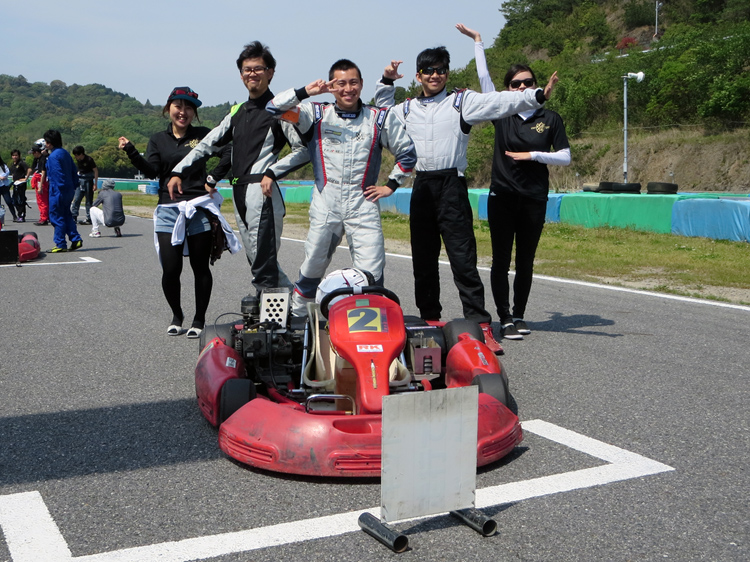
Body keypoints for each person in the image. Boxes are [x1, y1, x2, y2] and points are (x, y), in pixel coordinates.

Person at [375, 46, 553, 353]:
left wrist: (535, 96)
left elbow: (498, 101)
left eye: (441, 70)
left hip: (452, 186)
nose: (435, 75)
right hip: (422, 185)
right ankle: (430, 321)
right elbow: (381, 114)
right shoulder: (405, 109)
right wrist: (386, 81)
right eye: (429, 71)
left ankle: (480, 325)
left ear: (447, 73)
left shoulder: (461, 101)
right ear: (418, 76)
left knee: (463, 259)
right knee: (424, 260)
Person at [266, 58, 417, 316]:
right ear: (331, 86)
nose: (348, 89)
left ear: (361, 84)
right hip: (327, 204)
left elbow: (408, 154)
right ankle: (299, 324)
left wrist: (390, 185)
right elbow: (273, 109)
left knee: (371, 275)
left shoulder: (378, 118)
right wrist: (306, 92)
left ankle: (370, 333)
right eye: (340, 84)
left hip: (363, 204)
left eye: (353, 82)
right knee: (312, 267)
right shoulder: (313, 114)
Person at [169, 41, 308, 298]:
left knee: (264, 258)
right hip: (238, 191)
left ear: (270, 72)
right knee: (256, 258)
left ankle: (274, 311)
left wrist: (272, 172)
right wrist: (178, 170)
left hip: (262, 192)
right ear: (241, 74)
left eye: (258, 68)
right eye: (247, 69)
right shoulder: (237, 111)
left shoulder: (281, 110)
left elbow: (303, 151)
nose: (252, 74)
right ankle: (294, 301)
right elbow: (209, 143)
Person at [459, 26, 570, 340]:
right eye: (515, 83)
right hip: (502, 196)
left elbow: (565, 157)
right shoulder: (502, 113)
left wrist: (533, 155)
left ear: (536, 86)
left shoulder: (551, 119)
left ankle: (519, 315)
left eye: (528, 82)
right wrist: (478, 43)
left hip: (534, 197)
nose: (522, 87)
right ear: (508, 89)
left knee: (526, 260)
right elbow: (484, 82)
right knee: (501, 259)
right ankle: (504, 318)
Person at [120, 86, 238, 339]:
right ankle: (177, 315)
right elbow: (152, 171)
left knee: (200, 267)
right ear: (168, 108)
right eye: (178, 106)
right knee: (170, 269)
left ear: (194, 112)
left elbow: (228, 151)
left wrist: (213, 178)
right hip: (167, 209)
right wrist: (131, 151)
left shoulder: (203, 135)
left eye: (188, 107)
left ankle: (198, 320)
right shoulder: (157, 140)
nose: (182, 112)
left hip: (197, 207)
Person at [43, 129, 83, 253]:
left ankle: (60, 243)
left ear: (50, 143)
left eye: (46, 141)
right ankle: (75, 239)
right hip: (69, 189)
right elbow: (74, 171)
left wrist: (57, 189)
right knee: (66, 215)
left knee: (56, 216)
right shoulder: (65, 153)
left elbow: (57, 175)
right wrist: (73, 186)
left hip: (58, 190)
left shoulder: (53, 156)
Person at [70, 146, 99, 225]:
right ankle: (74, 216)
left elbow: (95, 171)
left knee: (89, 201)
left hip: (88, 181)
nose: (76, 157)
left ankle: (89, 218)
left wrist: (95, 183)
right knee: (76, 199)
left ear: (81, 154)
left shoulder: (89, 160)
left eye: (77, 155)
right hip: (80, 181)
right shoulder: (78, 161)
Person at [29, 141, 50, 226]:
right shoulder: (37, 159)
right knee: (40, 200)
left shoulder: (43, 159)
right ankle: (44, 217)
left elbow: (43, 173)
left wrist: (40, 185)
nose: (33, 154)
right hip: (38, 180)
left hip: (41, 181)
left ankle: (44, 218)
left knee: (43, 201)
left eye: (33, 153)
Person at [9, 149, 30, 222]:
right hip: (15, 184)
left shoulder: (21, 163)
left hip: (21, 184)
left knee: (20, 200)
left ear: (19, 156)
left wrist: (25, 178)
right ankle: (19, 214)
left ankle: (21, 215)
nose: (15, 157)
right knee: (14, 200)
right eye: (13, 155)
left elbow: (29, 169)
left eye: (16, 155)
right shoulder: (13, 165)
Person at [0, 156, 14, 222]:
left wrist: (4, 176)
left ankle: (14, 216)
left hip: (4, 186)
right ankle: (1, 218)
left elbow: (7, 172)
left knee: (9, 201)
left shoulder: (3, 166)